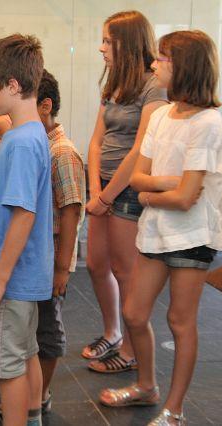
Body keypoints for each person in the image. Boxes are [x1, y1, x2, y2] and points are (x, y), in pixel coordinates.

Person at [99, 30, 222, 426]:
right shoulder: (159, 115)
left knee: (179, 321)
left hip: (192, 236)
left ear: (184, 65)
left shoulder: (209, 121)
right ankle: (146, 386)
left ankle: (174, 410)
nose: (154, 65)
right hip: (156, 231)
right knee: (135, 313)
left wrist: (156, 193)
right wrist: (166, 185)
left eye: (163, 58)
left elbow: (187, 197)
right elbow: (139, 177)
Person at [0, 34, 52, 426]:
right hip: (23, 277)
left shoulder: (20, 142)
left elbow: (23, 215)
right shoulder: (29, 134)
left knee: (6, 367)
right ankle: (33, 417)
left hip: (11, 279)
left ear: (13, 86)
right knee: (26, 352)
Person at [83, 10, 169, 374]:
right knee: (95, 263)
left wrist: (105, 197)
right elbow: (97, 140)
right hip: (103, 187)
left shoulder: (154, 85)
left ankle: (132, 351)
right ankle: (112, 332)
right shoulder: (113, 83)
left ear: (127, 43)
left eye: (107, 40)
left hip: (128, 191)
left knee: (125, 270)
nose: (101, 48)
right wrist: (94, 189)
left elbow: (140, 150)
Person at [35, 69, 85, 413]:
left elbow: (70, 211)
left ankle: (40, 396)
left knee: (47, 329)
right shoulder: (38, 145)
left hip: (52, 258)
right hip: (38, 255)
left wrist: (63, 268)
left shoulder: (62, 152)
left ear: (45, 106)